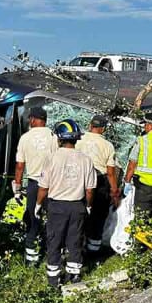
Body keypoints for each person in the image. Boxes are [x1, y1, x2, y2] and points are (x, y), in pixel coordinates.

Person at [36, 119, 96, 288]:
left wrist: (38, 205)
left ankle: (54, 278)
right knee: (75, 240)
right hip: (77, 205)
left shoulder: (52, 158)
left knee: (54, 241)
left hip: (57, 206)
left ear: (59, 138)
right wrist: (89, 206)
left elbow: (43, 187)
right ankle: (74, 274)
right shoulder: (86, 159)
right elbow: (90, 189)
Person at [13, 106, 57, 265]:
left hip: (34, 184)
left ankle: (31, 258)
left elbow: (19, 165)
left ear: (33, 119)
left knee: (32, 219)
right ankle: (53, 253)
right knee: (52, 219)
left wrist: (17, 188)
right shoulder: (54, 136)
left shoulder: (25, 138)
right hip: (52, 185)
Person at [76, 114, 119, 253]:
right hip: (100, 181)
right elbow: (111, 172)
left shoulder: (78, 140)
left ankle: (76, 246)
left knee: (80, 215)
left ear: (90, 126)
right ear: (103, 129)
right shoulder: (107, 145)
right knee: (98, 216)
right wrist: (114, 192)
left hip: (79, 180)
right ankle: (93, 250)